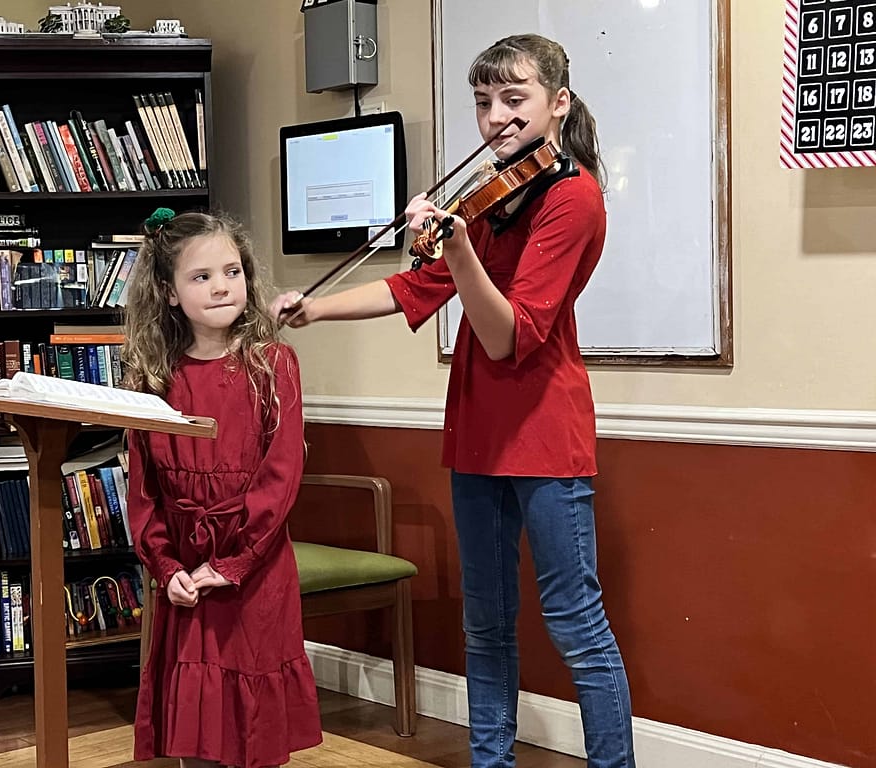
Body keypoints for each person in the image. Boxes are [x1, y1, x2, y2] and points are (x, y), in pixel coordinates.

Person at [271, 34, 635, 768]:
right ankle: (490, 761)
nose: (496, 117)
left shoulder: (573, 198)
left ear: (558, 103)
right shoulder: (494, 197)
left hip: (545, 434)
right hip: (476, 430)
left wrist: (459, 247)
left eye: (514, 99)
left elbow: (508, 335)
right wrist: (315, 309)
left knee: (576, 623)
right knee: (486, 624)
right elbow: (418, 285)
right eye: (483, 102)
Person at [124, 207, 322, 768]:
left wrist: (235, 562)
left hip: (253, 567)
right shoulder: (152, 379)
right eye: (201, 276)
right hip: (186, 567)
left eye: (232, 272)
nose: (221, 287)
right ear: (169, 292)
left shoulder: (273, 363)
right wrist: (167, 566)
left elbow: (281, 476)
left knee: (253, 726)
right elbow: (144, 491)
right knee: (196, 728)